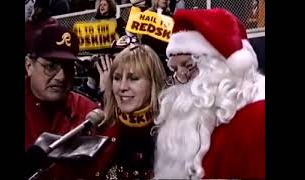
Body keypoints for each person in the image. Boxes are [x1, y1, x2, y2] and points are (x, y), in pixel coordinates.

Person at [153, 8, 265, 179]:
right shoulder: (200, 120)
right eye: (174, 69)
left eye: (189, 66)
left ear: (219, 67)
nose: (181, 77)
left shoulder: (257, 117)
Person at [61, 44, 166, 180]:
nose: (122, 87)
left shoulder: (169, 131)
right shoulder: (98, 126)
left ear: (153, 82)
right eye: (116, 78)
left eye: (133, 78)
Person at [25, 24, 99, 150]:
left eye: (69, 67)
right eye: (51, 66)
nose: (62, 77)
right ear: (29, 66)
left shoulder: (90, 112)